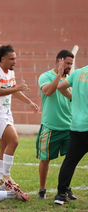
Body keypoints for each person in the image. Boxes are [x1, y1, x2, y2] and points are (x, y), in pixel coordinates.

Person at [0, 44, 39, 187]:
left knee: (4, 146)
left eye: (15, 59)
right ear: (3, 59)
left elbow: (14, 91)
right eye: (11, 59)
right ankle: (6, 175)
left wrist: (29, 102)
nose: (14, 61)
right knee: (14, 141)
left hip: (7, 112)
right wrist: (16, 88)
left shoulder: (10, 73)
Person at [36, 50, 75, 200]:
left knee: (71, 159)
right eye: (67, 63)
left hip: (69, 127)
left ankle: (66, 188)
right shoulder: (45, 76)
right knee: (45, 159)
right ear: (59, 61)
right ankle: (42, 189)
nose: (69, 66)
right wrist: (58, 75)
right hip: (51, 126)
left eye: (71, 63)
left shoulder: (71, 79)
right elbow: (48, 92)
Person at [54, 64, 88, 205]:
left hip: (76, 126)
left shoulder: (79, 72)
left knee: (70, 160)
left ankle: (61, 194)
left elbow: (61, 87)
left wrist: (73, 97)